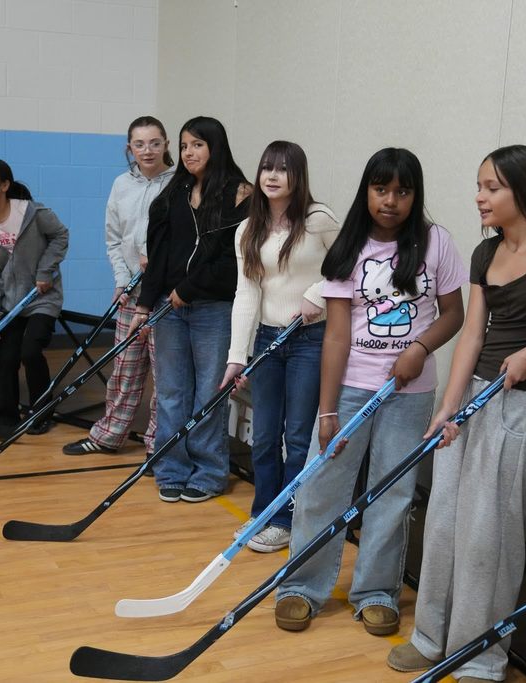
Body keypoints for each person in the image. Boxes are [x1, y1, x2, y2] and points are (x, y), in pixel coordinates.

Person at [388, 145, 526, 681]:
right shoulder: (485, 255)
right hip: (473, 397)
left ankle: (480, 656)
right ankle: (430, 636)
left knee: (492, 530)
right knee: (443, 519)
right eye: (479, 186)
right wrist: (448, 407)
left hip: (522, 404)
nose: (479, 196)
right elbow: (472, 334)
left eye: (491, 187)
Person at [275, 148, 469, 636]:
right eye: (382, 189)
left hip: (411, 393)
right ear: (367, 191)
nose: (391, 200)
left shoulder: (436, 243)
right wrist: (325, 410)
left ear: (414, 195)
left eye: (403, 191)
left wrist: (420, 348)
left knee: (393, 492)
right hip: (349, 391)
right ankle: (300, 587)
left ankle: (376, 592)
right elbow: (336, 336)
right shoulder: (348, 247)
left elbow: (453, 314)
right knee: (321, 488)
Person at [221, 141, 341, 552]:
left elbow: (351, 266)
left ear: (298, 176)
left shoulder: (319, 219)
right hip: (268, 341)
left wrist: (317, 295)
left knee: (299, 436)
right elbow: (246, 295)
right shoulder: (247, 229)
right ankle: (262, 516)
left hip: (310, 341)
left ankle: (291, 519)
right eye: (266, 168)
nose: (271, 176)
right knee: (266, 435)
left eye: (282, 169)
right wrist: (237, 357)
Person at [130, 116, 252, 503]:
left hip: (213, 309)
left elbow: (233, 262)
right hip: (170, 308)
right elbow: (158, 253)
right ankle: (171, 468)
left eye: (197, 145)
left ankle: (210, 472)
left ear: (215, 147)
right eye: (184, 146)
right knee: (170, 392)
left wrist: (189, 288)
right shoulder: (173, 193)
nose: (189, 153)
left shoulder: (239, 194)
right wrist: (145, 305)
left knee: (208, 395)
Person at [62, 116, 175, 457]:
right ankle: (108, 436)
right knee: (124, 370)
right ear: (130, 148)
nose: (148, 150)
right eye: (139, 144)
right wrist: (122, 281)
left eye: (155, 142)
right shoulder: (120, 185)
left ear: (166, 144)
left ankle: (158, 446)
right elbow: (113, 241)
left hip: (167, 299)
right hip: (131, 295)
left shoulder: (179, 184)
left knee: (165, 379)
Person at [0, 158, 68, 435]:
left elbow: (60, 236)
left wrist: (46, 271)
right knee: (6, 355)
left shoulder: (32, 213)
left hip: (42, 298)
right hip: (9, 304)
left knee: (30, 351)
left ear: (4, 184)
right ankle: (6, 419)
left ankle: (41, 413)